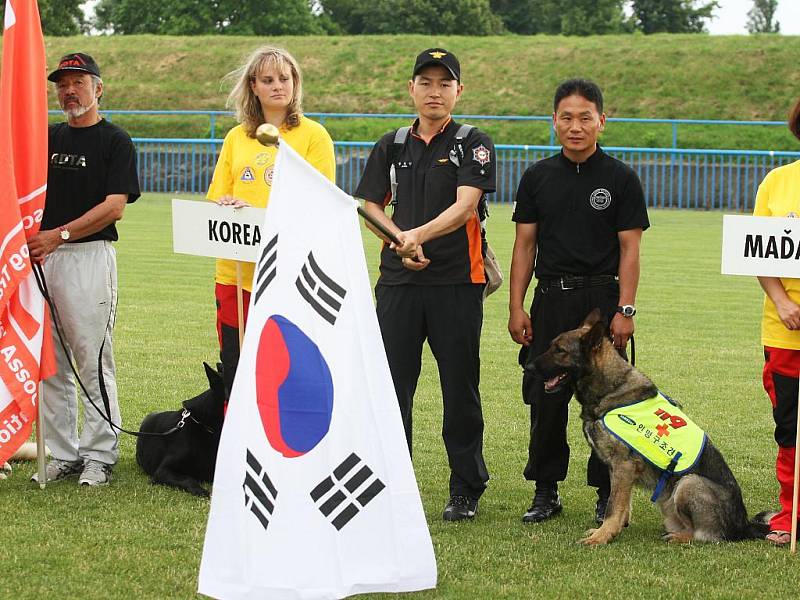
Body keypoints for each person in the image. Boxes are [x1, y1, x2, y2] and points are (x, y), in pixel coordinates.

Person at [355, 48, 494, 522]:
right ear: (411, 89)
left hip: (457, 281)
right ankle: (393, 481)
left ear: (459, 90)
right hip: (398, 282)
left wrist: (415, 235)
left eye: (444, 83)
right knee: (392, 387)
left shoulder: (473, 141)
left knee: (460, 387)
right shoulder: (391, 144)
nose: (435, 92)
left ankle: (466, 487)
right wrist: (401, 242)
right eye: (426, 82)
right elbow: (370, 205)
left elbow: (466, 207)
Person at [508, 79, 649, 524]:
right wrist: (517, 306)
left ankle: (605, 494)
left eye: (585, 117)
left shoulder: (621, 178)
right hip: (552, 300)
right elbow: (524, 247)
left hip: (601, 305)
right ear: (554, 122)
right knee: (545, 399)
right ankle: (545, 491)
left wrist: (624, 310)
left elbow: (630, 249)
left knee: (607, 402)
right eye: (566, 117)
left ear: (602, 122)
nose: (575, 126)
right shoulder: (537, 177)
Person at [28, 52, 140, 486]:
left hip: (87, 257)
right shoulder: (47, 137)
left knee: (92, 359)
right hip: (42, 259)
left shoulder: (115, 141)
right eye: (62, 83)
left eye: (78, 81)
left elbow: (115, 207)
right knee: (50, 363)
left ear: (99, 88)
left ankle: (99, 454)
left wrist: (60, 235)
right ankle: (62, 452)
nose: (69, 90)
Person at [206, 46, 335, 396]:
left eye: (285, 78)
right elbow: (216, 198)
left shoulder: (314, 136)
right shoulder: (236, 137)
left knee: (284, 370)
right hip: (236, 275)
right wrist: (226, 203)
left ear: (295, 82)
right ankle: (234, 448)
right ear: (254, 86)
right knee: (235, 368)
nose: (278, 86)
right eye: (268, 79)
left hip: (289, 272)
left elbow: (322, 202)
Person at [753, 97, 800, 547]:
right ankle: (791, 513)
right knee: (790, 427)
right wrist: (783, 301)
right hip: (785, 331)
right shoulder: (778, 182)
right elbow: (759, 254)